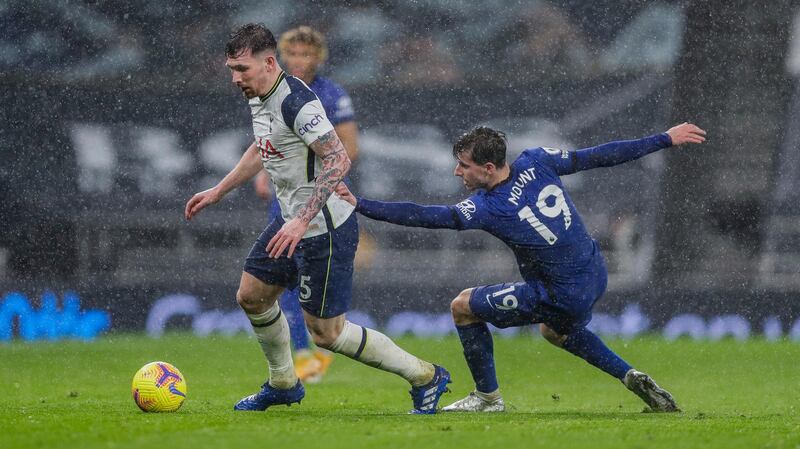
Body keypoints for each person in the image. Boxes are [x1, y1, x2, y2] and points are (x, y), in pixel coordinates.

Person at [336, 122, 707, 412]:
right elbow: (599, 156)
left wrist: (362, 204)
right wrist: (663, 138)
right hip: (594, 272)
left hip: (561, 291)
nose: (456, 173)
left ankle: (487, 398)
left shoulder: (488, 207)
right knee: (555, 331)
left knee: (463, 307)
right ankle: (630, 375)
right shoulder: (538, 160)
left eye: (463, 166)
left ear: (488, 167)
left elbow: (425, 216)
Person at [184, 23, 450, 414]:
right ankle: (283, 384)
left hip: (324, 227)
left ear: (269, 62)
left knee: (327, 334)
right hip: (290, 222)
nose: (235, 78)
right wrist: (219, 190)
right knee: (252, 297)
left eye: (241, 69)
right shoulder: (260, 95)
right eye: (231, 69)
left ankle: (426, 376)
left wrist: (301, 218)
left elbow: (339, 156)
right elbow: (263, 146)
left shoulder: (297, 102)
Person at [253, 25, 359, 384]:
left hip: (317, 200)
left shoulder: (331, 95)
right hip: (285, 203)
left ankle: (320, 345)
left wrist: (318, 177)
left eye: (305, 54)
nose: (298, 61)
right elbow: (269, 142)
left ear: (318, 58)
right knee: (283, 277)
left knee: (309, 279)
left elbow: (348, 148)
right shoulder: (273, 91)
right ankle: (300, 355)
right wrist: (265, 172)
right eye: (292, 54)